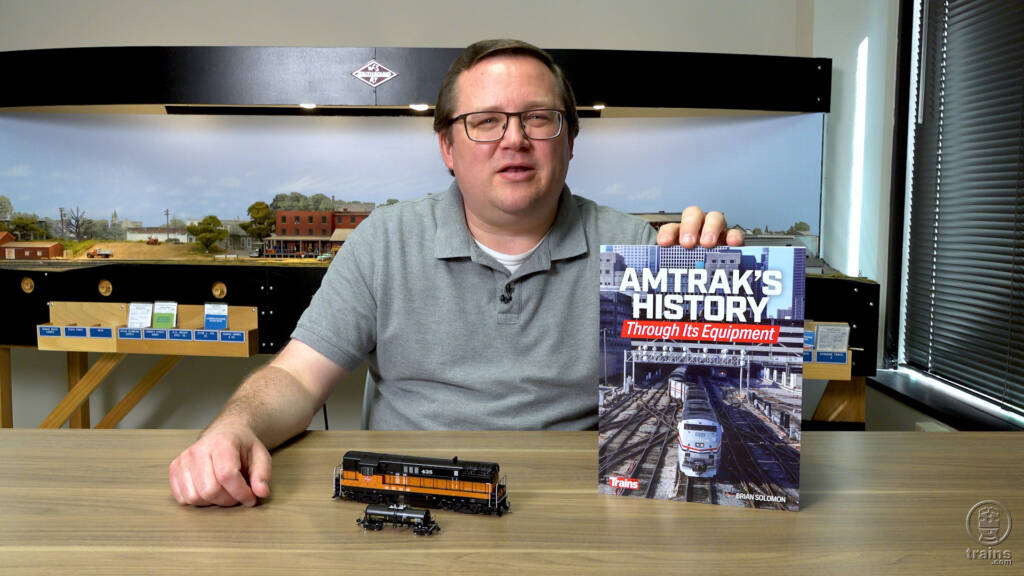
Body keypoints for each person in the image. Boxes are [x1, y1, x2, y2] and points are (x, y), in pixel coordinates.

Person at [169, 39, 743, 507]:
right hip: (410, 498)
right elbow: (295, 380)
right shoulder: (385, 240)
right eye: (485, 121)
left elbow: (697, 412)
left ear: (570, 140)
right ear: (446, 145)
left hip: (580, 510)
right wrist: (232, 429)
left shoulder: (637, 248)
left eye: (538, 118)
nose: (513, 139)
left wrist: (719, 292)